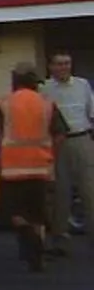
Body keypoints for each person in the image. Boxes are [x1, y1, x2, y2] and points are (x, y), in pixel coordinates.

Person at [0, 66, 58, 273]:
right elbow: (60, 133)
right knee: (38, 213)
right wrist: (49, 153)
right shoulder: (47, 104)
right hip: (40, 167)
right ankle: (37, 255)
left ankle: (25, 232)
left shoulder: (3, 103)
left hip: (11, 169)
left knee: (13, 212)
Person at [45, 51, 94, 239]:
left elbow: (91, 113)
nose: (64, 67)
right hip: (58, 142)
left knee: (89, 189)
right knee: (60, 191)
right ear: (51, 67)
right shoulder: (45, 89)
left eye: (67, 63)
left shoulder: (82, 85)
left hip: (82, 138)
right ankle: (59, 236)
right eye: (59, 64)